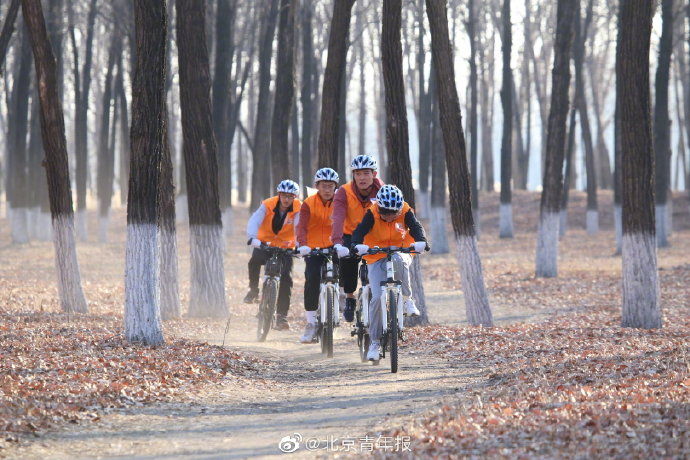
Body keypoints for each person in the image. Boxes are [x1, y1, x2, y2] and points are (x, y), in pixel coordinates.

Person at [350, 185, 428, 363]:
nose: (390, 216)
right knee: (377, 297)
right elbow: (360, 231)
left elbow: (416, 228)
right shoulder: (372, 213)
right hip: (376, 255)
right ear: (379, 207)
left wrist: (422, 241)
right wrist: (356, 245)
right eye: (385, 212)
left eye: (394, 212)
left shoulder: (406, 210)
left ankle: (408, 300)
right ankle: (375, 343)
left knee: (400, 260)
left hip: (402, 250)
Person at [331, 155, 384, 323]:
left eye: (366, 173)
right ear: (353, 175)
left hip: (374, 236)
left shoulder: (382, 190)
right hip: (349, 235)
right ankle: (349, 297)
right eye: (358, 173)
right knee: (348, 262)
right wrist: (337, 242)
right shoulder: (343, 192)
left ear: (374, 174)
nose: (362, 178)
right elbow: (338, 217)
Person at [244, 179, 301, 331]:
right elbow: (254, 221)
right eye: (284, 195)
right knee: (254, 261)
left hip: (286, 247)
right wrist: (252, 237)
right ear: (279, 195)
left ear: (295, 197)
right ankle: (254, 290)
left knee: (286, 279)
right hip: (265, 243)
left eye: (290, 196)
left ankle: (281, 316)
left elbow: (299, 227)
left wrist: (299, 246)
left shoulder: (298, 208)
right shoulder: (268, 204)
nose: (287, 199)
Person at [295, 168, 339, 343]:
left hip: (336, 246)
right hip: (313, 249)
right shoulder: (308, 203)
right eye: (323, 186)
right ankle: (311, 322)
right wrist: (303, 245)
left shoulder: (341, 202)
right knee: (312, 278)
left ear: (336, 187)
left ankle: (341, 299)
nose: (327, 189)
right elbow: (301, 227)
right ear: (317, 186)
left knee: (345, 270)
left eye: (330, 186)